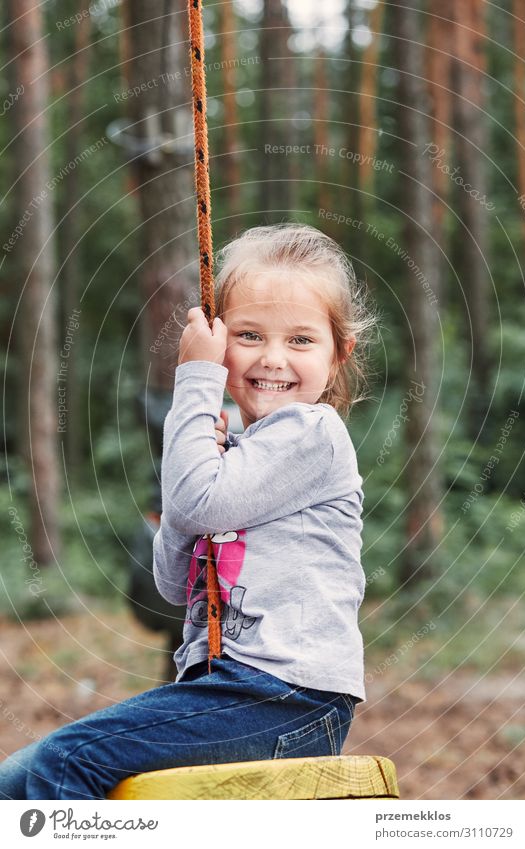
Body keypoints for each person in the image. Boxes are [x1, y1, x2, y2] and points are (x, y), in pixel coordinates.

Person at [0, 223, 376, 800]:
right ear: (222, 339)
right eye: (249, 335)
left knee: (66, 761)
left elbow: (198, 501)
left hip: (284, 698)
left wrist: (197, 382)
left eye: (301, 340)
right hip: (230, 692)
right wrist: (196, 449)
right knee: (21, 776)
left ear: (338, 353)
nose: (274, 358)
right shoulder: (234, 460)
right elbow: (173, 584)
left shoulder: (314, 432)